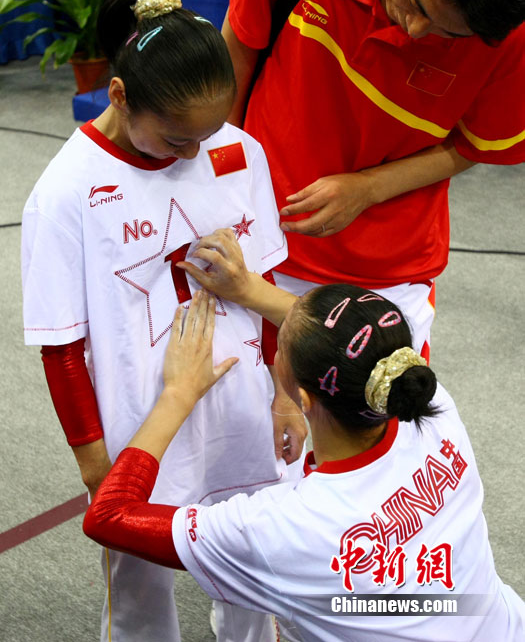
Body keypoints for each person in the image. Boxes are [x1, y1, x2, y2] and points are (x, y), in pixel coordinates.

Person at [21, 0, 303, 642]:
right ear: (119, 95)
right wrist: (96, 466)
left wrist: (285, 393)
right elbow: (62, 347)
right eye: (177, 140)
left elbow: (264, 281)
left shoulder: (238, 151)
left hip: (243, 403)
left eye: (209, 132)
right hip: (141, 425)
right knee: (140, 589)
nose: (196, 153)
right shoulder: (65, 192)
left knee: (251, 557)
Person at [83, 230, 525, 642]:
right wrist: (248, 288)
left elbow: (109, 516)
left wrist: (177, 395)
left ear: (302, 398)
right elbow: (349, 346)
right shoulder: (429, 403)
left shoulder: (281, 527)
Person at [222, 0, 525, 361]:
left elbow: (476, 144)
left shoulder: (508, 34)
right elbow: (241, 42)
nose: (415, 29)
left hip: (384, 270)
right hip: (257, 238)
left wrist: (369, 188)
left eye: (449, 33)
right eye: (415, 0)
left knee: (370, 400)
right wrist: (225, 179)